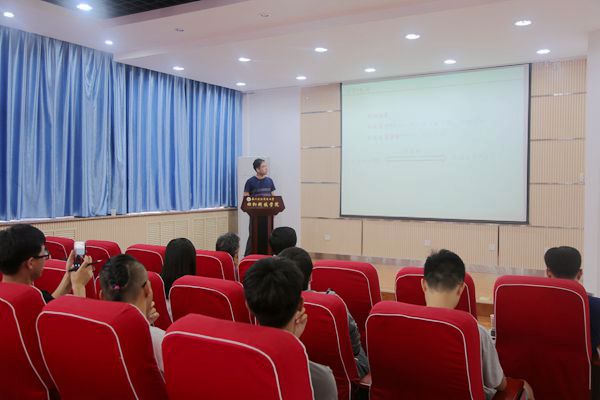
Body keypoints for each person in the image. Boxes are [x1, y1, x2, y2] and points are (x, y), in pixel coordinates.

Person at [421, 249, 533, 400]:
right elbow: (499, 384)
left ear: (424, 285)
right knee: (525, 387)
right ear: (461, 288)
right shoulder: (473, 331)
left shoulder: (400, 324)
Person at [244, 257, 338, 400]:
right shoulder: (319, 379)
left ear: (248, 306)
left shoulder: (231, 362)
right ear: (300, 304)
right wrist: (291, 340)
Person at [279, 246, 370, 378]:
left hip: (292, 367)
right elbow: (354, 346)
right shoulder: (332, 302)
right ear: (311, 276)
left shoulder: (270, 304)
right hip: (340, 373)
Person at [99, 254, 164, 372]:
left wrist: (144, 323)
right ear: (147, 289)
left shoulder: (96, 337)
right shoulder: (160, 341)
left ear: (102, 296)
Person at [0, 224, 93, 302]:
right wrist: (79, 286)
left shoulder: (8, 297)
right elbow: (79, 317)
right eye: (44, 254)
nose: (46, 259)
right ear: (30, 263)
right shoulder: (30, 299)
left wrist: (68, 277)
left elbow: (48, 305)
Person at [545, 246, 600, 354]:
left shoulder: (533, 306)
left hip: (540, 364)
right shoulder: (596, 307)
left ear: (548, 273)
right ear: (580, 273)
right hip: (582, 365)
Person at [243, 158, 276, 256]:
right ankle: (249, 257)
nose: (266, 168)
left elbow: (274, 198)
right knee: (253, 236)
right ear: (257, 169)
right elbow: (246, 199)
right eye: (263, 166)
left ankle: (268, 256)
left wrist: (274, 209)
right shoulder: (250, 182)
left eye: (266, 166)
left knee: (269, 236)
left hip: (268, 216)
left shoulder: (270, 181)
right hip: (255, 216)